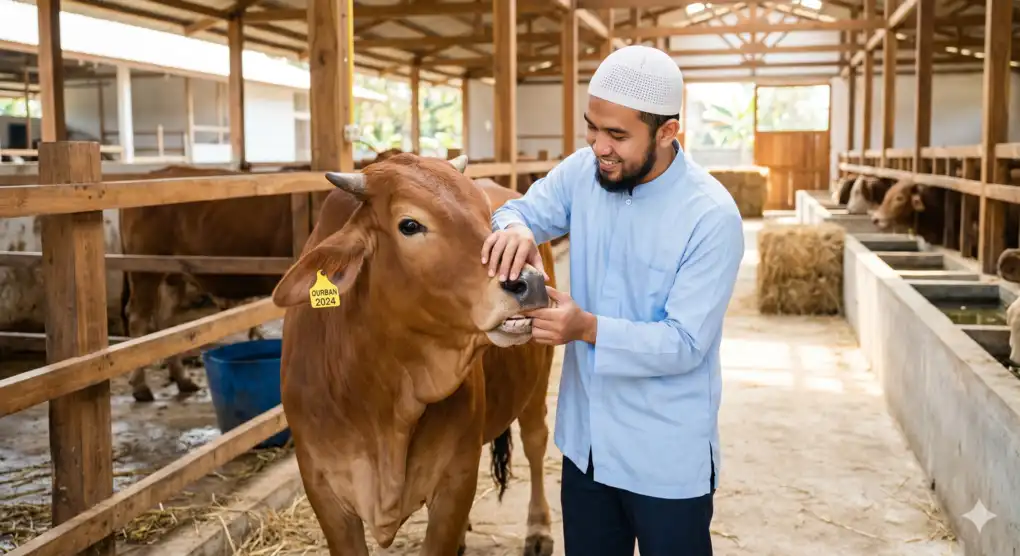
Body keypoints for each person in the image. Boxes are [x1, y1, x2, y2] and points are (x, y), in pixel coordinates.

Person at [480, 45, 745, 556]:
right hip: (587, 448)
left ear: (668, 132)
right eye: (592, 128)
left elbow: (685, 344)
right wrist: (514, 230)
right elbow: (518, 210)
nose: (599, 146)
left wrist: (585, 328)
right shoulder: (584, 172)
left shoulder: (710, 215)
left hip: (664, 458)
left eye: (618, 135)